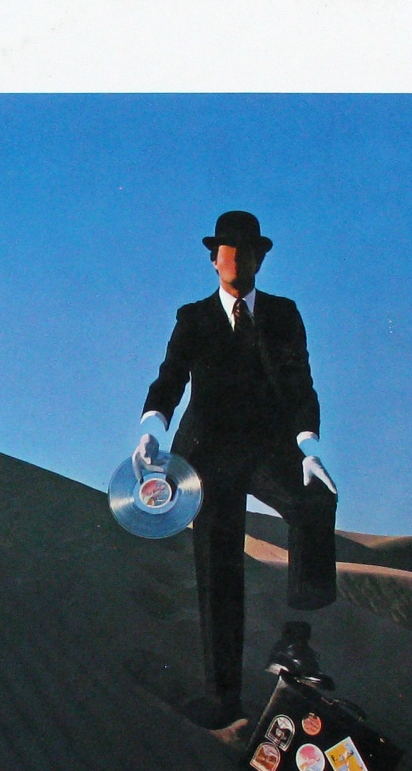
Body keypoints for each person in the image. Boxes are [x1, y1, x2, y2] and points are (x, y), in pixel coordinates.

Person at [134, 211, 339, 733]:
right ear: (214, 258)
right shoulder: (194, 317)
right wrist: (151, 430)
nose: (238, 258)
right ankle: (223, 699)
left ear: (260, 260)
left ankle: (297, 636)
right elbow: (170, 378)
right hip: (206, 456)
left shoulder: (283, 314)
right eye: (229, 248)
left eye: (249, 250)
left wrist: (309, 448)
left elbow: (301, 384)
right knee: (219, 572)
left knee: (315, 500)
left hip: (267, 449)